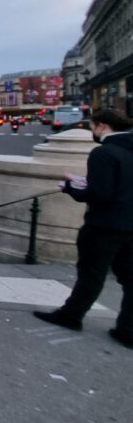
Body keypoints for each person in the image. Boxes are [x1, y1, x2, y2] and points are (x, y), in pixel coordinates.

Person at [33, 109, 133, 348]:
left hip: (104, 226)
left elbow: (100, 193)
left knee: (91, 274)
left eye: (93, 127)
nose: (92, 132)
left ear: (102, 126)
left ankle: (71, 316)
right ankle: (128, 329)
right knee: (131, 279)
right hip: (130, 227)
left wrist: (71, 188)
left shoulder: (103, 153)